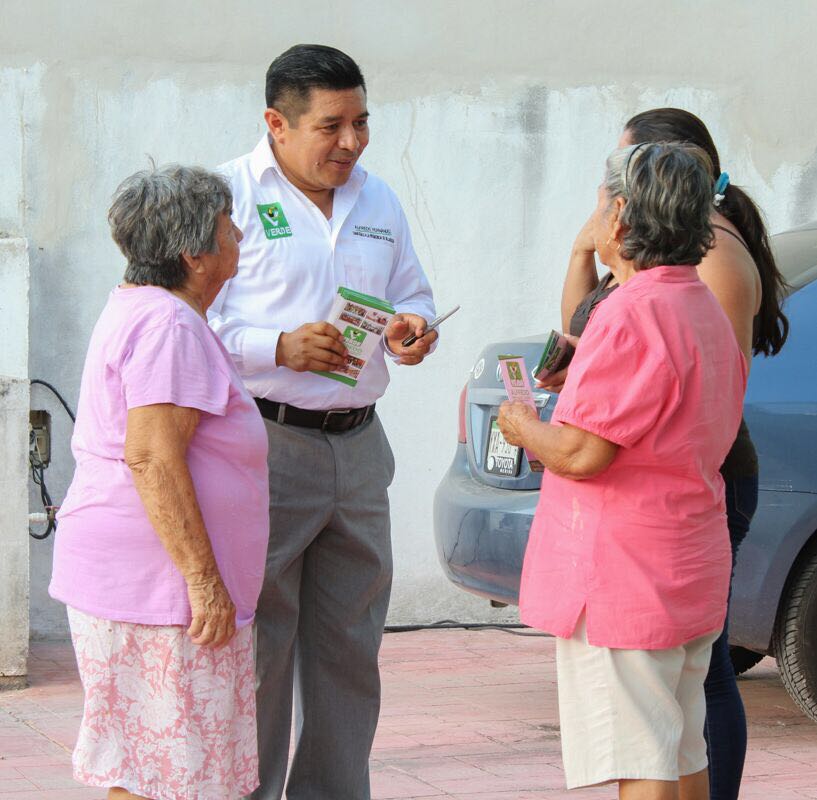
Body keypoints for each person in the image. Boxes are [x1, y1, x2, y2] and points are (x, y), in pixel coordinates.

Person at [207, 44, 437, 800]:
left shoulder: (379, 200)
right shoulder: (226, 198)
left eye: (361, 122)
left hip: (360, 448)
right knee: (260, 650)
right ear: (276, 123)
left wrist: (411, 328)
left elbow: (413, 293)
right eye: (331, 125)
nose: (352, 141)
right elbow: (185, 324)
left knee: (350, 649)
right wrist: (275, 346)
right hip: (263, 444)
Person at [550, 108, 789, 800]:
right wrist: (582, 254)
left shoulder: (688, 277)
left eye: (615, 181)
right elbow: (601, 343)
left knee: (675, 704)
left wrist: (534, 426)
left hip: (674, 503)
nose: (605, 201)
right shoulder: (659, 278)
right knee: (677, 708)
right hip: (664, 501)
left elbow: (686, 395)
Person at [498, 142, 747, 799]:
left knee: (642, 758)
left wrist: (520, 426)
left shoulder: (631, 312)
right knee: (681, 747)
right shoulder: (700, 305)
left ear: (618, 216)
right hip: (686, 558)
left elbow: (583, 454)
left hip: (624, 574)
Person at [49, 165, 269, 800]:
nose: (238, 237)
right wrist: (204, 582)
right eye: (228, 226)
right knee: (167, 774)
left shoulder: (148, 309)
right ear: (194, 254)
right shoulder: (168, 324)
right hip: (159, 588)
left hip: (143, 582)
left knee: (148, 767)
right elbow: (151, 456)